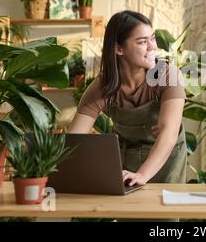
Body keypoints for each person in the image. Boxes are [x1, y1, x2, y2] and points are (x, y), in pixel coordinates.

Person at [69, 10, 187, 186]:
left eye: (152, 38)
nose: (152, 47)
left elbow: (168, 134)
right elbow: (74, 140)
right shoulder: (103, 87)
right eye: (142, 42)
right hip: (127, 168)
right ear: (118, 48)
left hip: (168, 163)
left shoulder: (168, 75)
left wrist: (142, 175)